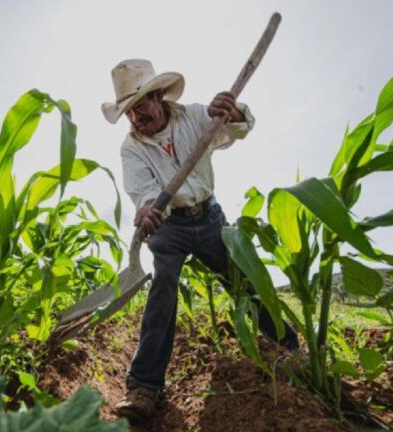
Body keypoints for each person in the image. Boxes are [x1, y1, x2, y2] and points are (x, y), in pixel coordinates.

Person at [101, 59, 299, 423]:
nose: (134, 118)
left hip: (208, 217)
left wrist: (231, 110)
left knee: (243, 282)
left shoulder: (193, 117)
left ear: (159, 96)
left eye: (139, 106)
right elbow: (142, 190)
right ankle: (144, 386)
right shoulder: (132, 147)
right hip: (169, 228)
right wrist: (147, 210)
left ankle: (290, 347)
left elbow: (238, 128)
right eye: (128, 111)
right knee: (162, 290)